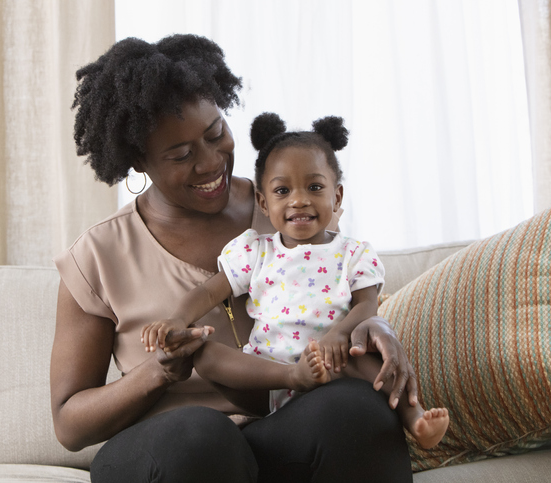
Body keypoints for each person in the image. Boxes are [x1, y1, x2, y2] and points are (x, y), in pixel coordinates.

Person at [51, 33, 417, 483]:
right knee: (201, 436)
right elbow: (69, 423)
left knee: (355, 410)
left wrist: (377, 326)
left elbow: (345, 304)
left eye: (216, 134)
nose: (210, 163)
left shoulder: (288, 208)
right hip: (169, 448)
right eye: (182, 154)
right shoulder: (99, 255)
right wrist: (157, 372)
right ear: (139, 162)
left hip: (283, 429)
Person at [141, 112, 449, 450]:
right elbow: (208, 291)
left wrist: (340, 334)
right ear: (263, 201)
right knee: (205, 355)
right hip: (270, 369)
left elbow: (367, 304)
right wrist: (176, 320)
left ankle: (414, 417)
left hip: (334, 358)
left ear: (337, 197)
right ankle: (293, 380)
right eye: (283, 190)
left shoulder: (352, 253)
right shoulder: (256, 251)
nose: (299, 200)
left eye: (314, 187)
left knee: (370, 359)